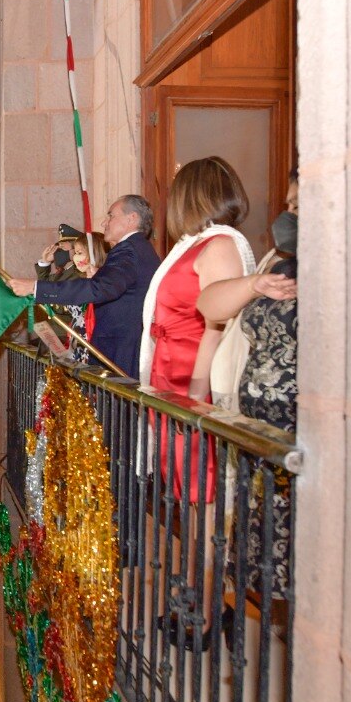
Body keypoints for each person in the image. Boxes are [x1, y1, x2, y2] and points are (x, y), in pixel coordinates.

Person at [199, 171, 299, 600]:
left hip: (302, 443)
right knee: (263, 566)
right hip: (260, 442)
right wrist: (255, 284)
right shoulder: (277, 260)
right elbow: (210, 305)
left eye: (299, 205)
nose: (289, 213)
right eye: (290, 203)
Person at [141, 157, 255, 503]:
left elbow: (216, 327)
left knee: (201, 484)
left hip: (191, 377)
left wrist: (194, 394)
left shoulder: (219, 246)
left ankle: (206, 558)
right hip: (170, 373)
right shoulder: (192, 245)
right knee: (180, 482)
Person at [7, 196, 161, 378]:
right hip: (126, 348)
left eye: (111, 216)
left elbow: (98, 289)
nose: (104, 222)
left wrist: (36, 288)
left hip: (120, 353)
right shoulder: (141, 249)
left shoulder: (128, 250)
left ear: (131, 218)